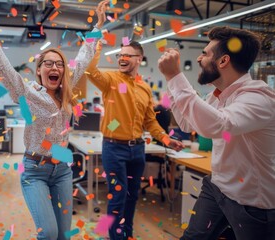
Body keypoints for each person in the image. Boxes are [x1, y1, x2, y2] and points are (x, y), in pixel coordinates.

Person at [0, 0, 108, 239]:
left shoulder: (67, 89)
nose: (54, 67)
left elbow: (85, 54)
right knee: (48, 232)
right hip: (35, 170)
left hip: (62, 170)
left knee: (63, 234)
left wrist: (98, 24)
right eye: (48, 63)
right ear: (38, 70)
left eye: (59, 64)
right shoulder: (26, 92)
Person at [158, 26, 275, 240]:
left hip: (252, 203)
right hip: (218, 187)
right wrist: (170, 80)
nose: (199, 59)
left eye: (205, 53)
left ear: (223, 61)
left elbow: (219, 126)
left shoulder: (259, 98)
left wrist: (176, 77)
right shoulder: (218, 95)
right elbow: (186, 123)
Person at [86, 40, 184, 239]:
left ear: (139, 59)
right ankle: (115, 236)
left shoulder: (144, 88)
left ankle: (127, 234)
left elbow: (150, 122)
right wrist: (97, 47)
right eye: (120, 55)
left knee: (131, 196)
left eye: (127, 55)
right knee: (118, 195)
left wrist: (166, 139)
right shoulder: (111, 80)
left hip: (137, 150)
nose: (122, 58)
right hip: (114, 148)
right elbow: (89, 71)